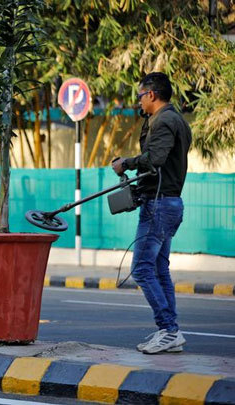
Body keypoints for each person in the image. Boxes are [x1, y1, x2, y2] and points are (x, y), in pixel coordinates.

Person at [112, 72, 191, 354]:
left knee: (142, 269)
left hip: (159, 205)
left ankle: (168, 329)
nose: (139, 102)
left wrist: (126, 163)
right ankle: (170, 332)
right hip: (167, 202)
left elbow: (155, 159)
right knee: (159, 269)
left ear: (152, 94)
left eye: (140, 96)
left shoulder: (165, 121)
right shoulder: (176, 120)